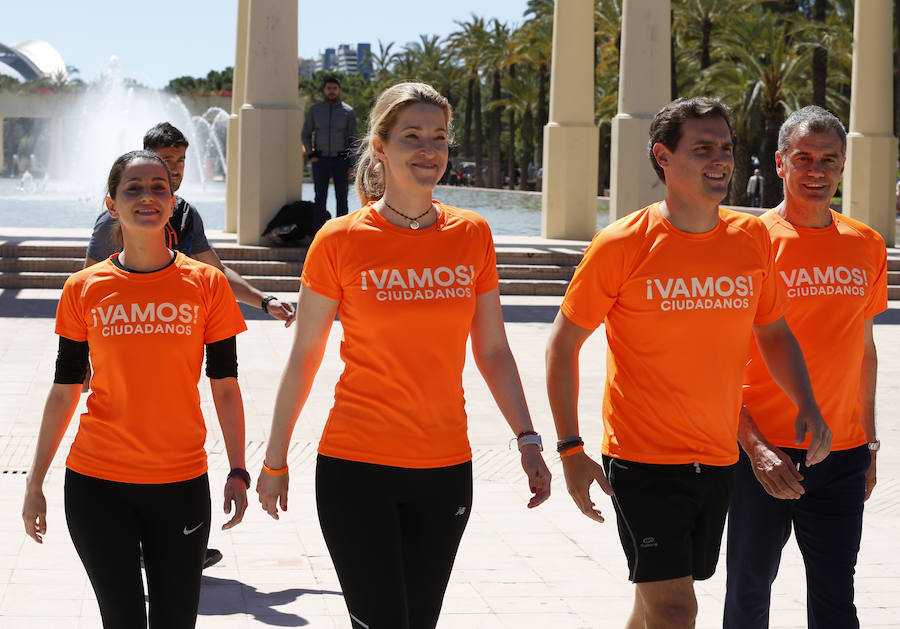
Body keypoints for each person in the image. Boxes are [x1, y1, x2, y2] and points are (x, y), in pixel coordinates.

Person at [257, 82, 551, 628]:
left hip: (444, 470)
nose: (429, 149)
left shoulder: (473, 234)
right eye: (412, 136)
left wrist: (528, 438)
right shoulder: (339, 240)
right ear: (380, 145)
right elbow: (304, 358)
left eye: (438, 137)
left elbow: (492, 349)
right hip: (356, 469)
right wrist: (274, 461)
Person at [545, 97, 832, 629]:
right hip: (642, 459)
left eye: (725, 148)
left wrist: (806, 402)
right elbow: (563, 346)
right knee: (677, 609)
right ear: (664, 157)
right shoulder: (621, 245)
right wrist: (570, 449)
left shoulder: (750, 239)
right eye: (703, 149)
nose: (721, 160)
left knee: (655, 602)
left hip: (718, 457)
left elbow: (772, 330)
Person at [22, 150, 250, 628]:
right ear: (111, 204)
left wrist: (237, 469)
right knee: (122, 618)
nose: (148, 196)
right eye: (134, 188)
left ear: (172, 202)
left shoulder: (207, 284)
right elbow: (65, 390)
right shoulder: (84, 288)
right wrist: (35, 482)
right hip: (97, 485)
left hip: (180, 484)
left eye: (159, 187)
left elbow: (225, 385)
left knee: (176, 619)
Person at [723, 106, 886, 629]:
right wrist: (754, 447)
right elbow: (717, 361)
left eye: (829, 160)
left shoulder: (866, 244)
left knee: (837, 600)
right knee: (748, 595)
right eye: (804, 158)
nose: (816, 171)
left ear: (843, 167)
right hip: (762, 455)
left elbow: (864, 351)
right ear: (780, 163)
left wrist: (870, 445)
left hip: (841, 456)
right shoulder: (746, 241)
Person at [85, 122, 296, 328]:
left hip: (174, 326)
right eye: (168, 160)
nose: (176, 169)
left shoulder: (186, 215)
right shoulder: (117, 219)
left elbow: (217, 272)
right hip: (128, 327)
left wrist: (266, 302)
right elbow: (90, 285)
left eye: (181, 160)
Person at [301, 76, 358, 218]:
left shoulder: (348, 111)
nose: (331, 91)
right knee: (320, 199)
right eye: (329, 88)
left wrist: (352, 164)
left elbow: (354, 139)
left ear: (339, 90)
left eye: (334, 88)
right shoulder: (315, 110)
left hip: (341, 161)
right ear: (324, 90)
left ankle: (341, 237)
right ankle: (319, 236)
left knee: (342, 199)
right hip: (320, 160)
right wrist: (311, 154)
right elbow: (305, 134)